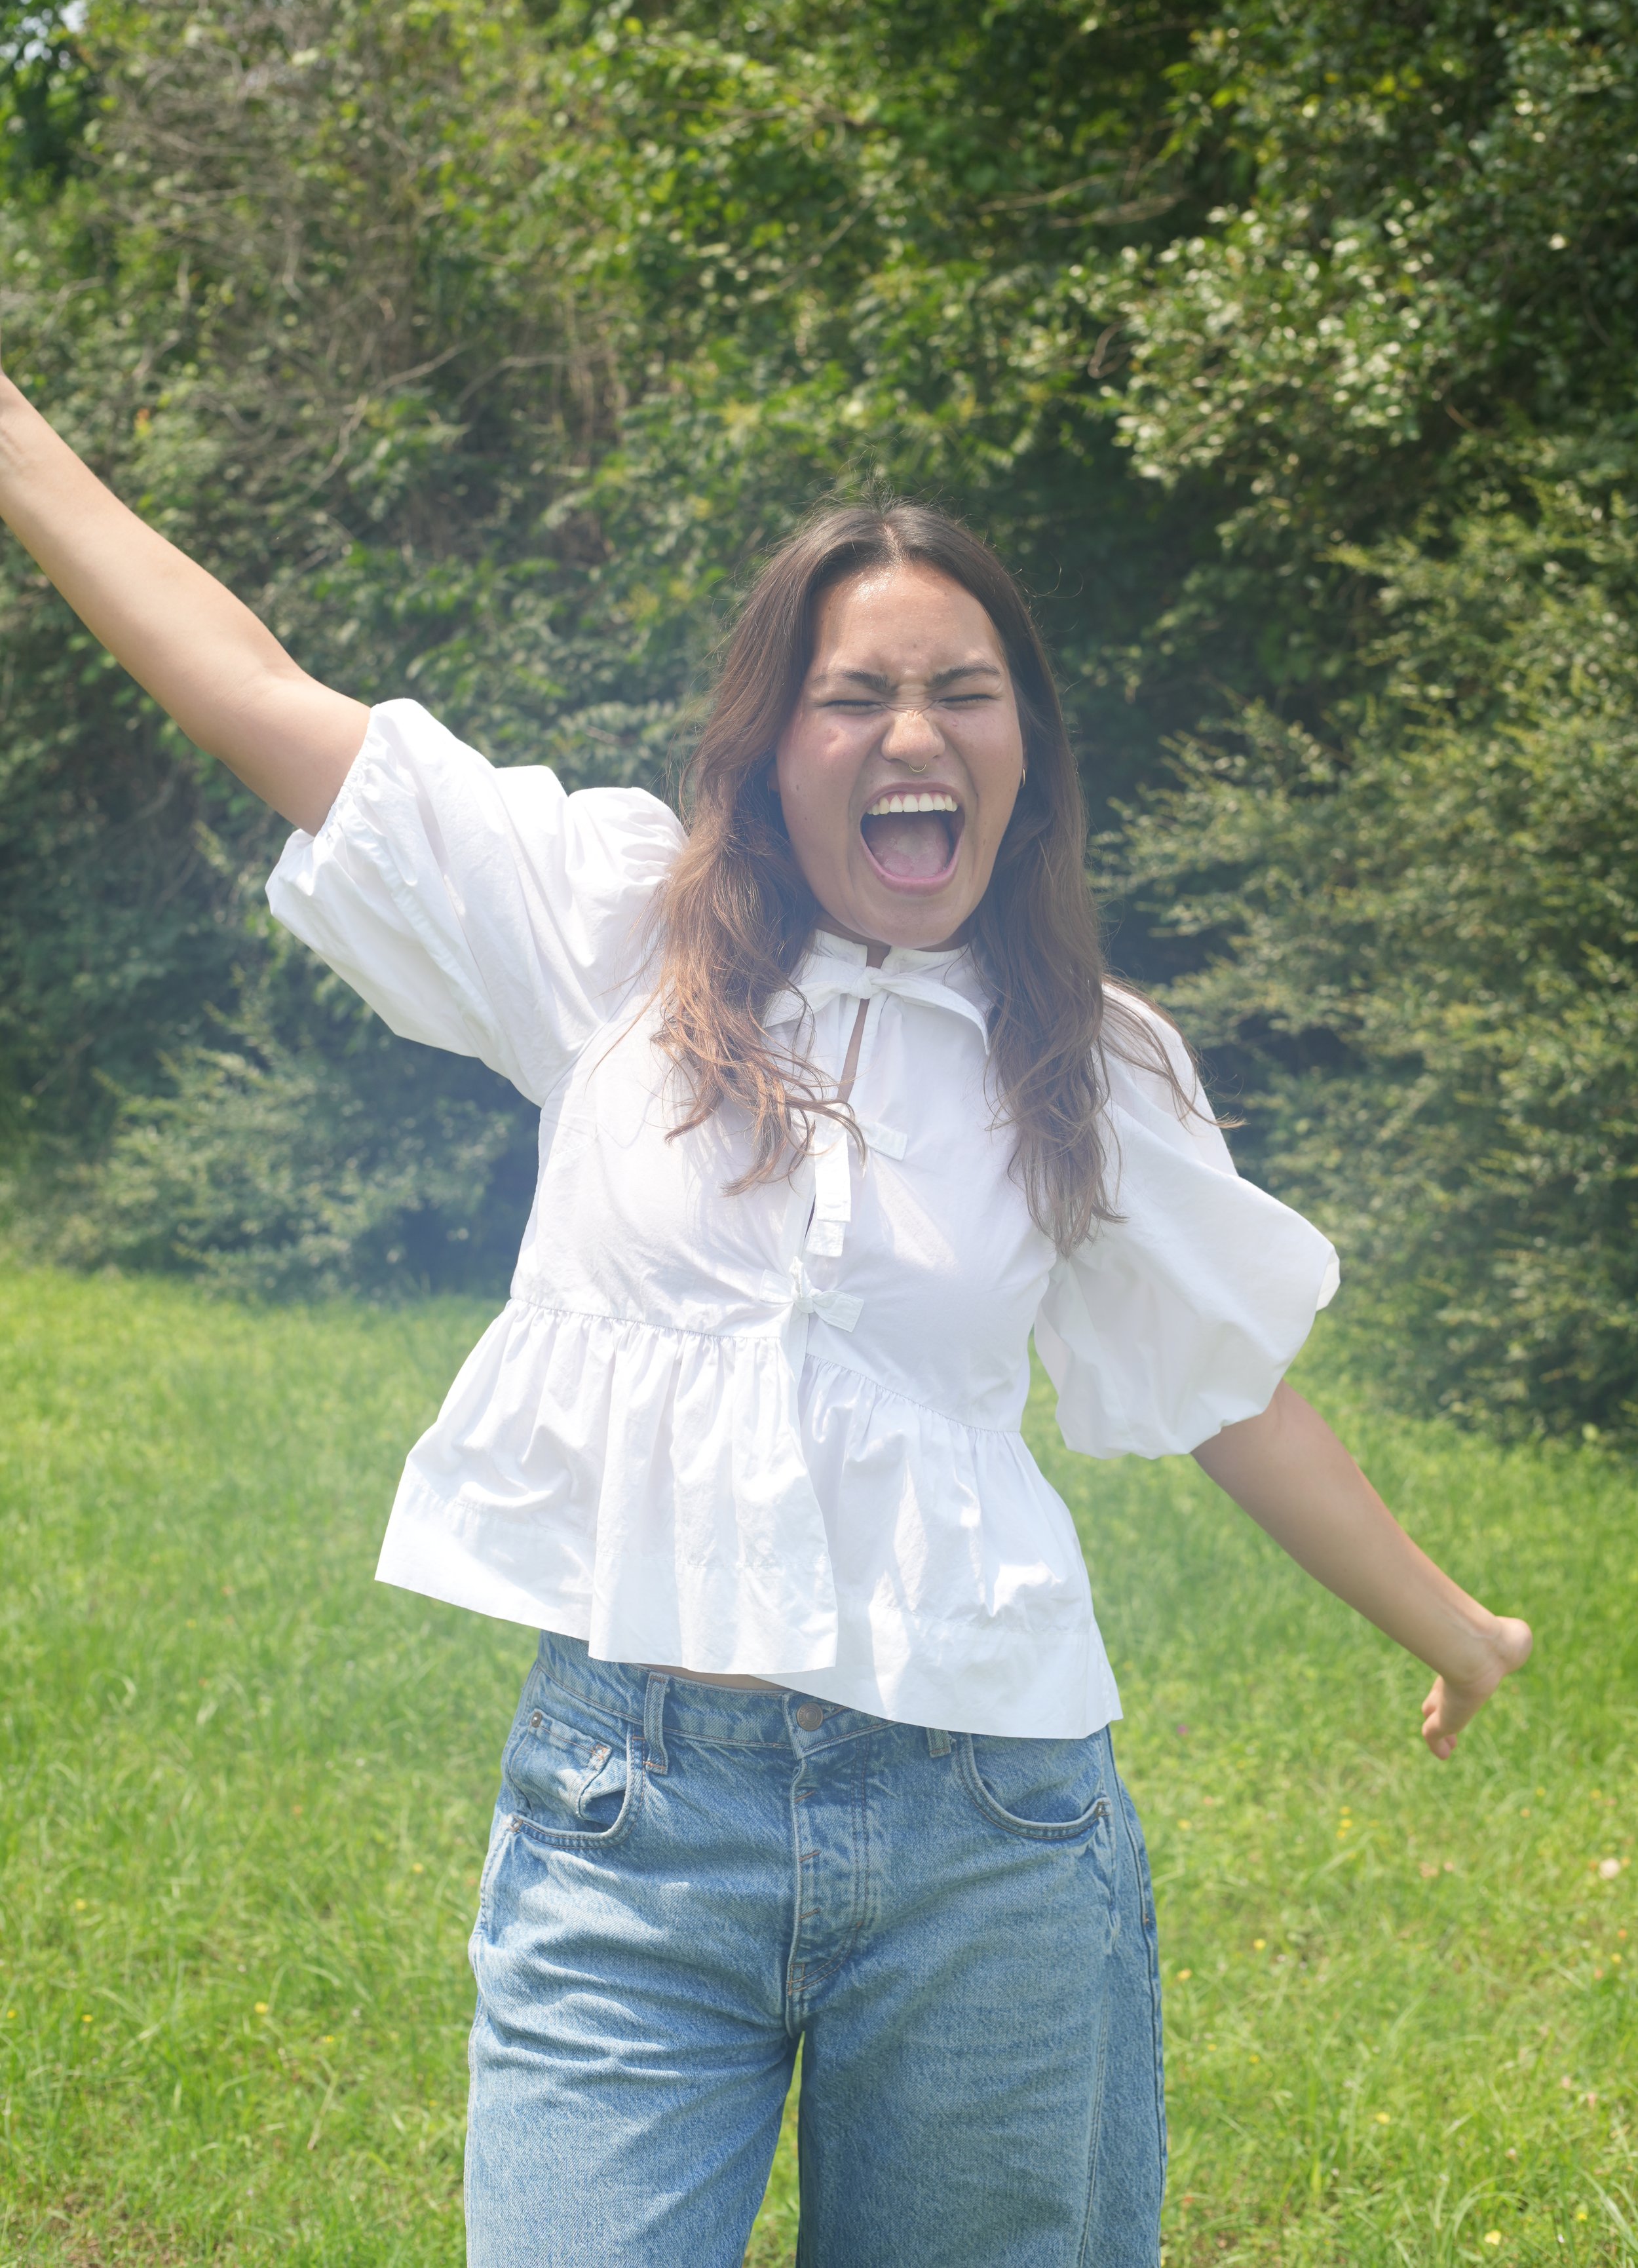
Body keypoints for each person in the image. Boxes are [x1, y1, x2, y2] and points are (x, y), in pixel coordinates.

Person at [0, 364, 1531, 2268]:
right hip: (633, 1819)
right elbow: (260, 696)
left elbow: (1227, 1393)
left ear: (1027, 753)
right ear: (768, 748)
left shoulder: (1090, 1059)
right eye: (854, 693)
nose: (916, 731)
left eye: (965, 691)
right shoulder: (616, 936)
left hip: (992, 1834)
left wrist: (1456, 1625)